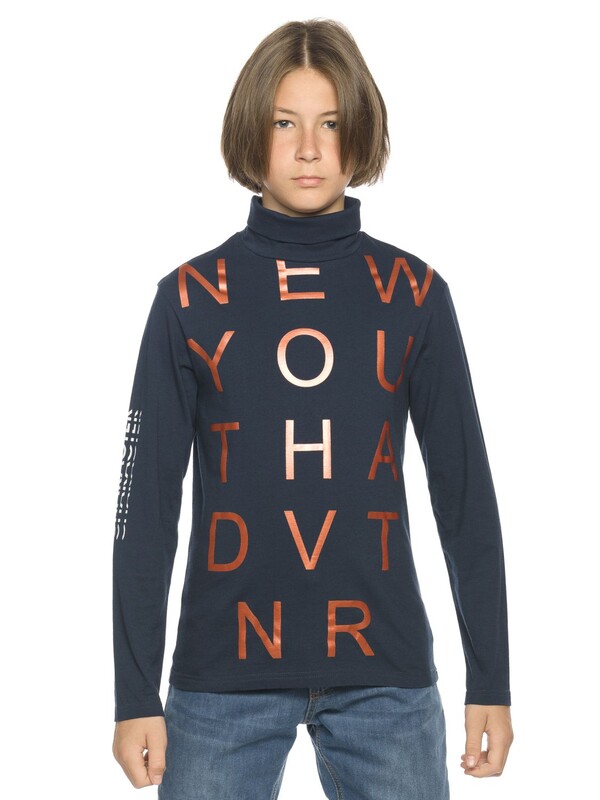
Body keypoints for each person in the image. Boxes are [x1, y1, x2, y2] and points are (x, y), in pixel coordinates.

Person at [112, 18, 513, 799]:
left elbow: (466, 498)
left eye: (329, 124)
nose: (307, 149)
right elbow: (144, 508)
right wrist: (134, 695)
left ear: (358, 133)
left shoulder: (415, 295)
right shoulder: (190, 299)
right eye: (283, 124)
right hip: (220, 679)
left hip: (386, 677)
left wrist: (490, 678)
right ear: (250, 133)